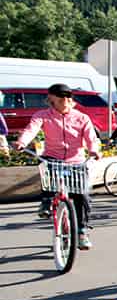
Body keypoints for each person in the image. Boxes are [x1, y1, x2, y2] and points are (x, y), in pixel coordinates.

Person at [14, 83, 101, 250]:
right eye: (61, 97)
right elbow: (32, 129)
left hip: (76, 160)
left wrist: (94, 150)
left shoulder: (81, 117)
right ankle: (46, 201)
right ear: (51, 99)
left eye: (68, 97)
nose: (66, 100)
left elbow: (91, 138)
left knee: (81, 195)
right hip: (53, 157)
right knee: (47, 169)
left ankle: (82, 232)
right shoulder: (43, 115)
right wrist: (22, 142)